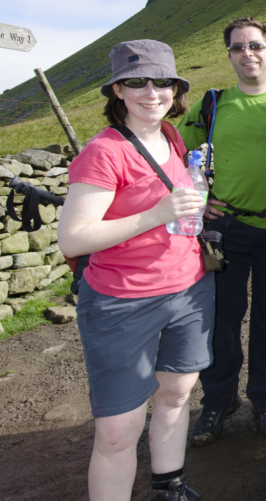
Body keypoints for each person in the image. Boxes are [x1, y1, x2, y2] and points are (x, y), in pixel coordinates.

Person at [57, 40, 211, 501]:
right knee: (119, 430)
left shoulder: (171, 137)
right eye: (136, 82)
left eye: (162, 81)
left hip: (189, 291)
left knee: (176, 395)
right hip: (121, 302)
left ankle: (169, 485)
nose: (151, 92)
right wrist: (157, 213)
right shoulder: (104, 152)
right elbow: (74, 238)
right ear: (117, 90)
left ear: (176, 88)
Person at [178, 17, 266, 445]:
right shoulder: (211, 103)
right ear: (229, 55)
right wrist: (199, 196)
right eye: (238, 48)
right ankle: (217, 401)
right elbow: (175, 154)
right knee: (222, 319)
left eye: (255, 46)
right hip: (223, 229)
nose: (247, 54)